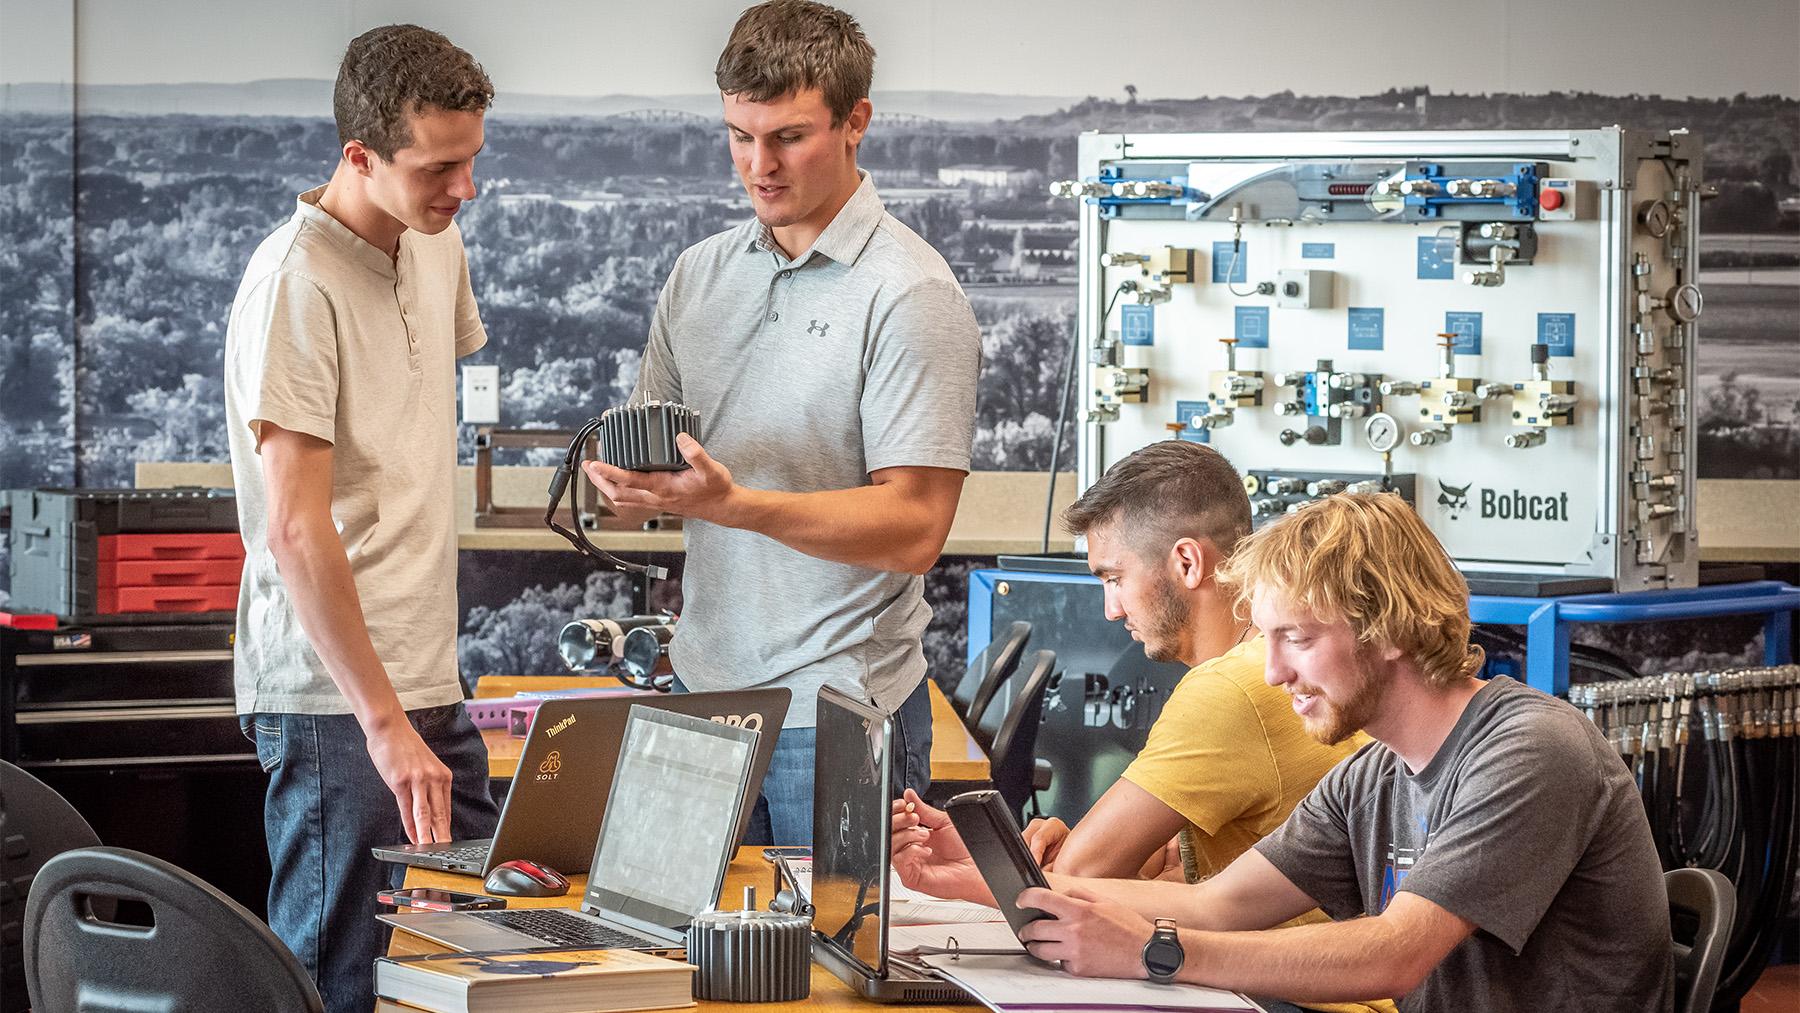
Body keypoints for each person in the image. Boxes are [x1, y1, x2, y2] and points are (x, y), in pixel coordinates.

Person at [957, 493, 1672, 1013]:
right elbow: (1215, 903)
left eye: (1295, 638)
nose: (1272, 672)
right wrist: (987, 878)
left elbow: (1395, 953)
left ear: (1388, 628)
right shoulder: (1376, 772)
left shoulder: (1529, 750)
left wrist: (1152, 951)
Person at [582, 0, 980, 845]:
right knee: (684, 969)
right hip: (700, 696)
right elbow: (669, 478)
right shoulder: (698, 275)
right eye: (739, 136)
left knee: (827, 979)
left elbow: (915, 527)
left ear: (855, 123)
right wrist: (633, 487)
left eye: (788, 137)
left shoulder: (910, 294)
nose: (758, 165)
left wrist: (730, 503)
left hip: (836, 714)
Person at [893, 440, 1388, 1013]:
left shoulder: (1232, 688)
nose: (1110, 608)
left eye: (1113, 577)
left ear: (1187, 562)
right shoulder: (1260, 674)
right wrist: (1007, 856)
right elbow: (1168, 872)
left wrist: (1005, 864)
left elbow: (1079, 877)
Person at [223, 25, 499, 1011]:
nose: (462, 189)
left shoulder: (437, 238)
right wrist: (383, 723)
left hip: (427, 682)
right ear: (358, 157)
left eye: (472, 160)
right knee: (339, 983)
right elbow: (297, 529)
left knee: (473, 967)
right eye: (438, 167)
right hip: (336, 703)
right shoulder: (295, 284)